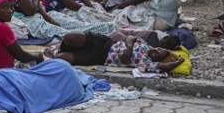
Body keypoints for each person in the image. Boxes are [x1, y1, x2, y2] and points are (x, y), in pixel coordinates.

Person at [52, 32, 183, 74]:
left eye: (158, 55)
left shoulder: (146, 63)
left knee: (61, 58)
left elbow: (164, 67)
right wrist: (129, 48)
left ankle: (53, 54)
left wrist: (178, 62)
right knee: (69, 37)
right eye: (159, 49)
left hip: (101, 57)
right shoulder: (146, 45)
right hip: (105, 43)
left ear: (156, 60)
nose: (156, 51)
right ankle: (60, 47)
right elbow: (130, 37)